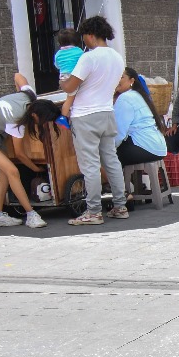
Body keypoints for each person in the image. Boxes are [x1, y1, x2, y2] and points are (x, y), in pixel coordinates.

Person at [60, 15, 130, 225]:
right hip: (107, 113)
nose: (84, 41)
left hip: (85, 116)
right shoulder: (117, 57)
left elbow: (70, 86)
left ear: (90, 35)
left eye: (84, 36)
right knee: (111, 160)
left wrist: (64, 80)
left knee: (90, 165)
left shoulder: (88, 58)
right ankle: (120, 205)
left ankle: (93, 211)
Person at [0, 72, 55, 229]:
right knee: (13, 171)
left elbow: (18, 76)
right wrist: (36, 168)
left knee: (5, 173)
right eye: (41, 121)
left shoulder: (30, 96)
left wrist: (16, 92)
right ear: (35, 115)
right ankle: (31, 215)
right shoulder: (16, 118)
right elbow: (20, 154)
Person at [114, 68, 168, 166]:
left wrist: (109, 148)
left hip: (145, 147)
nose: (117, 80)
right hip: (159, 148)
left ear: (132, 81)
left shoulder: (125, 98)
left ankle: (118, 182)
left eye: (121, 77)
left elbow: (119, 132)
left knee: (107, 156)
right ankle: (131, 181)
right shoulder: (139, 95)